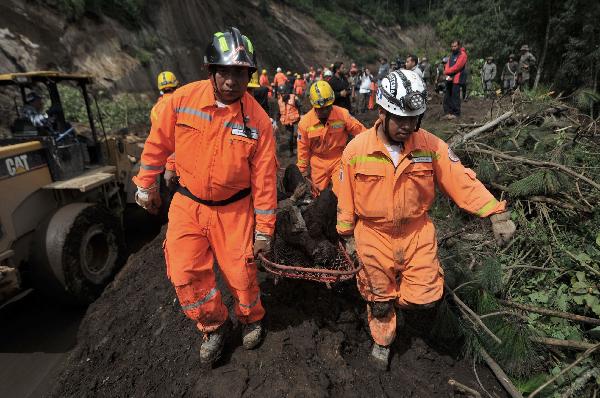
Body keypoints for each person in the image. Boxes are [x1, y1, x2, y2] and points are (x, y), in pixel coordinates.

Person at [335, 69, 517, 370]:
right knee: (379, 300)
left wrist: (495, 211)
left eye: (414, 119)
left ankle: (399, 301)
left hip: (416, 233)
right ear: (383, 112)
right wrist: (347, 235)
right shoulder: (356, 151)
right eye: (402, 119)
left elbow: (461, 180)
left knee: (425, 297)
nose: (409, 126)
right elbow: (346, 197)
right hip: (372, 235)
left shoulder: (430, 146)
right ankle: (383, 340)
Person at [132, 27, 277, 367]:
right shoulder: (181, 101)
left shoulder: (258, 122)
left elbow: (266, 181)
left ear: (249, 75)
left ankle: (251, 317)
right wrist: (145, 183)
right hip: (188, 204)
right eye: (225, 71)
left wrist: (264, 230)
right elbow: (157, 144)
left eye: (240, 72)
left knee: (242, 275)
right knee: (185, 272)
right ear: (210, 70)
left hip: (235, 210)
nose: (232, 80)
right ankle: (213, 326)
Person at [297, 80, 365, 193]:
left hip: (338, 159)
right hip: (318, 161)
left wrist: (373, 142)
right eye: (320, 108)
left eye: (328, 107)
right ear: (313, 105)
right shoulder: (305, 123)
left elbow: (361, 132)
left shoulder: (343, 114)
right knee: (317, 194)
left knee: (343, 191)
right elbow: (302, 148)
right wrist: (302, 170)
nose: (325, 111)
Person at [443, 40, 468, 119]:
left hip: (457, 78)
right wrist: (447, 72)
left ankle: (456, 113)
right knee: (447, 96)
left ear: (459, 46)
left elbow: (458, 66)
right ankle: (448, 112)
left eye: (455, 46)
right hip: (449, 78)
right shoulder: (452, 54)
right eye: (452, 46)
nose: (453, 48)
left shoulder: (462, 55)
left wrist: (447, 71)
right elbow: (447, 64)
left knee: (455, 96)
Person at [277, 84, 301, 156]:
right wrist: (277, 121)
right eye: (282, 93)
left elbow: (300, 106)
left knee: (298, 136)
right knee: (289, 138)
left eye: (284, 93)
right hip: (287, 122)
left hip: (296, 120)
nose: (283, 95)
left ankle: (300, 149)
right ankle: (291, 152)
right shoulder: (279, 101)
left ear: (287, 92)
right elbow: (279, 112)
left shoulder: (294, 98)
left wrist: (301, 115)